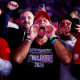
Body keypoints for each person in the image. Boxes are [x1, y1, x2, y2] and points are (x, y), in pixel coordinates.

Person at [12, 10, 72, 80]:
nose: (42, 23)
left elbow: (67, 60)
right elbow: (17, 59)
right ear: (33, 26)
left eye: (45, 21)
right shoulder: (25, 42)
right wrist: (30, 37)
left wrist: (52, 37)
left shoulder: (57, 43)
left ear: (50, 25)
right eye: (38, 21)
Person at [57, 14, 78, 80]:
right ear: (59, 29)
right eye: (62, 25)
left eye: (68, 24)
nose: (66, 26)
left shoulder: (78, 42)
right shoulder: (54, 43)